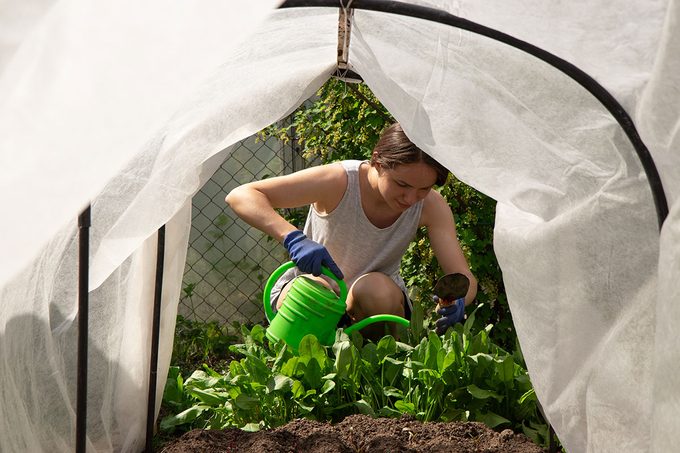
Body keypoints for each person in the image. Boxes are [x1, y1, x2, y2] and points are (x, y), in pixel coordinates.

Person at [225, 122, 477, 339]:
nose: (411, 198)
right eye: (402, 184)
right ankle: (296, 376)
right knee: (317, 290)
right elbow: (242, 195)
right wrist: (293, 238)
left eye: (423, 189)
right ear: (377, 160)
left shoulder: (431, 205)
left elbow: (462, 275)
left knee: (376, 289)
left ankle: (379, 380)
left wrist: (457, 300)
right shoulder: (339, 181)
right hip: (313, 291)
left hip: (374, 303)